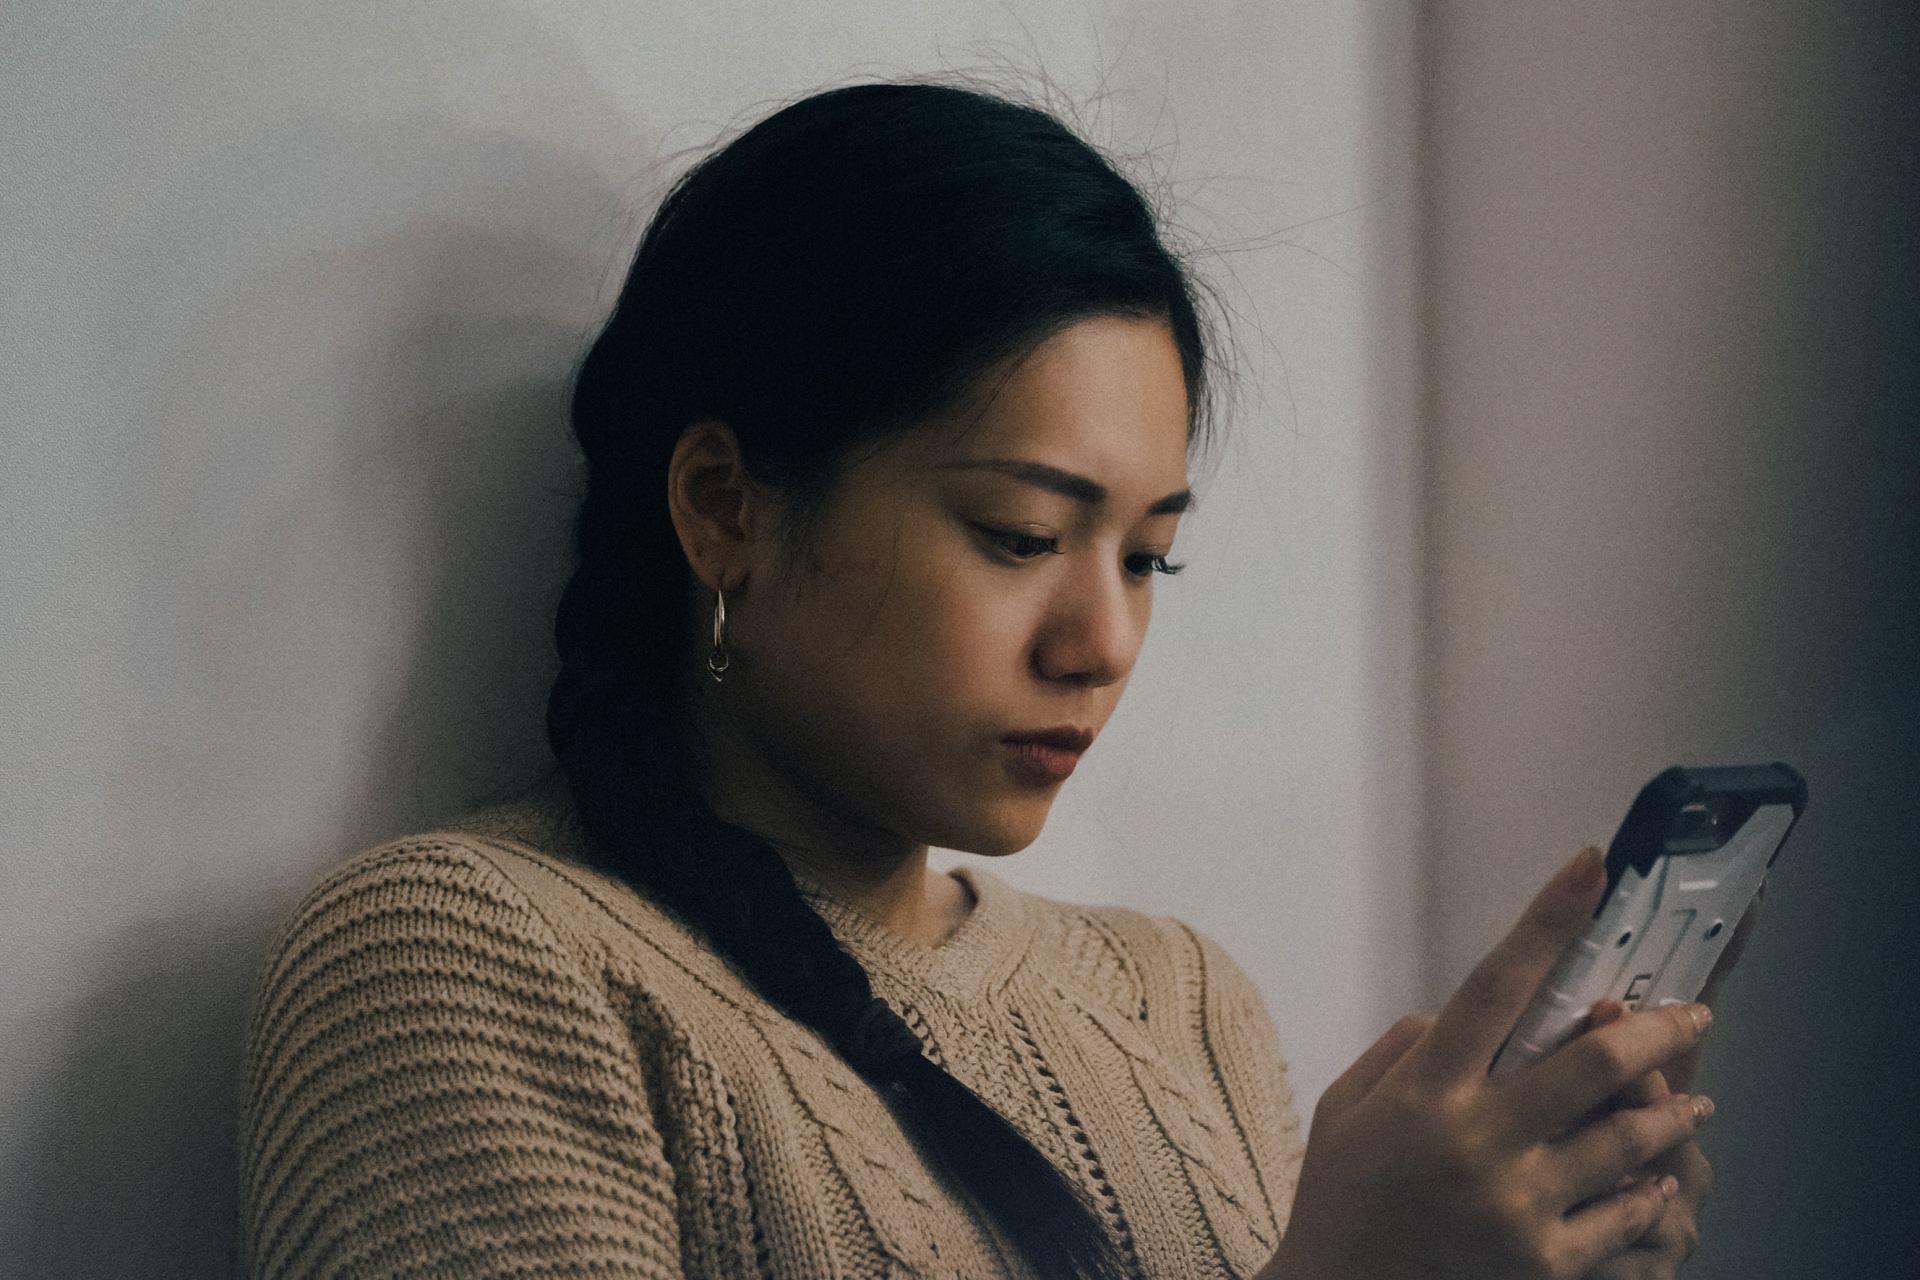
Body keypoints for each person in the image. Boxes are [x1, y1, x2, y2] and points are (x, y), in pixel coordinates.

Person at [237, 80, 1737, 1279]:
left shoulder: (1178, 1000)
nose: (1105, 642)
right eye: (1021, 534)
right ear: (724, 507)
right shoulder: (466, 967)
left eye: (1150, 557)